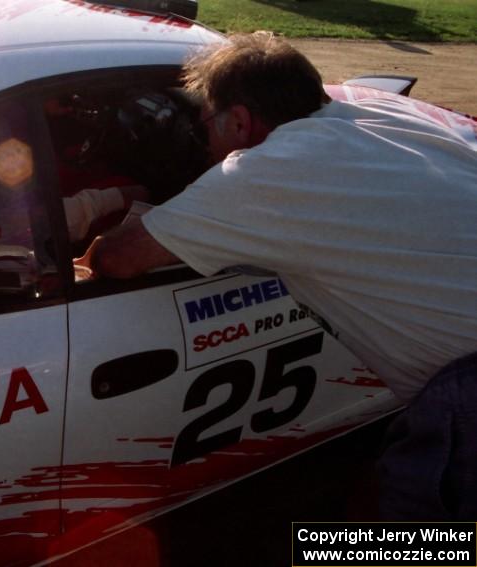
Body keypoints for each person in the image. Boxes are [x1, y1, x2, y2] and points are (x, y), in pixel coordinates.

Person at [78, 31, 477, 520]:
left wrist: (114, 207)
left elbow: (117, 259)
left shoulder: (265, 173)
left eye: (205, 127)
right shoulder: (383, 113)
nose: (203, 145)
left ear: (240, 121)